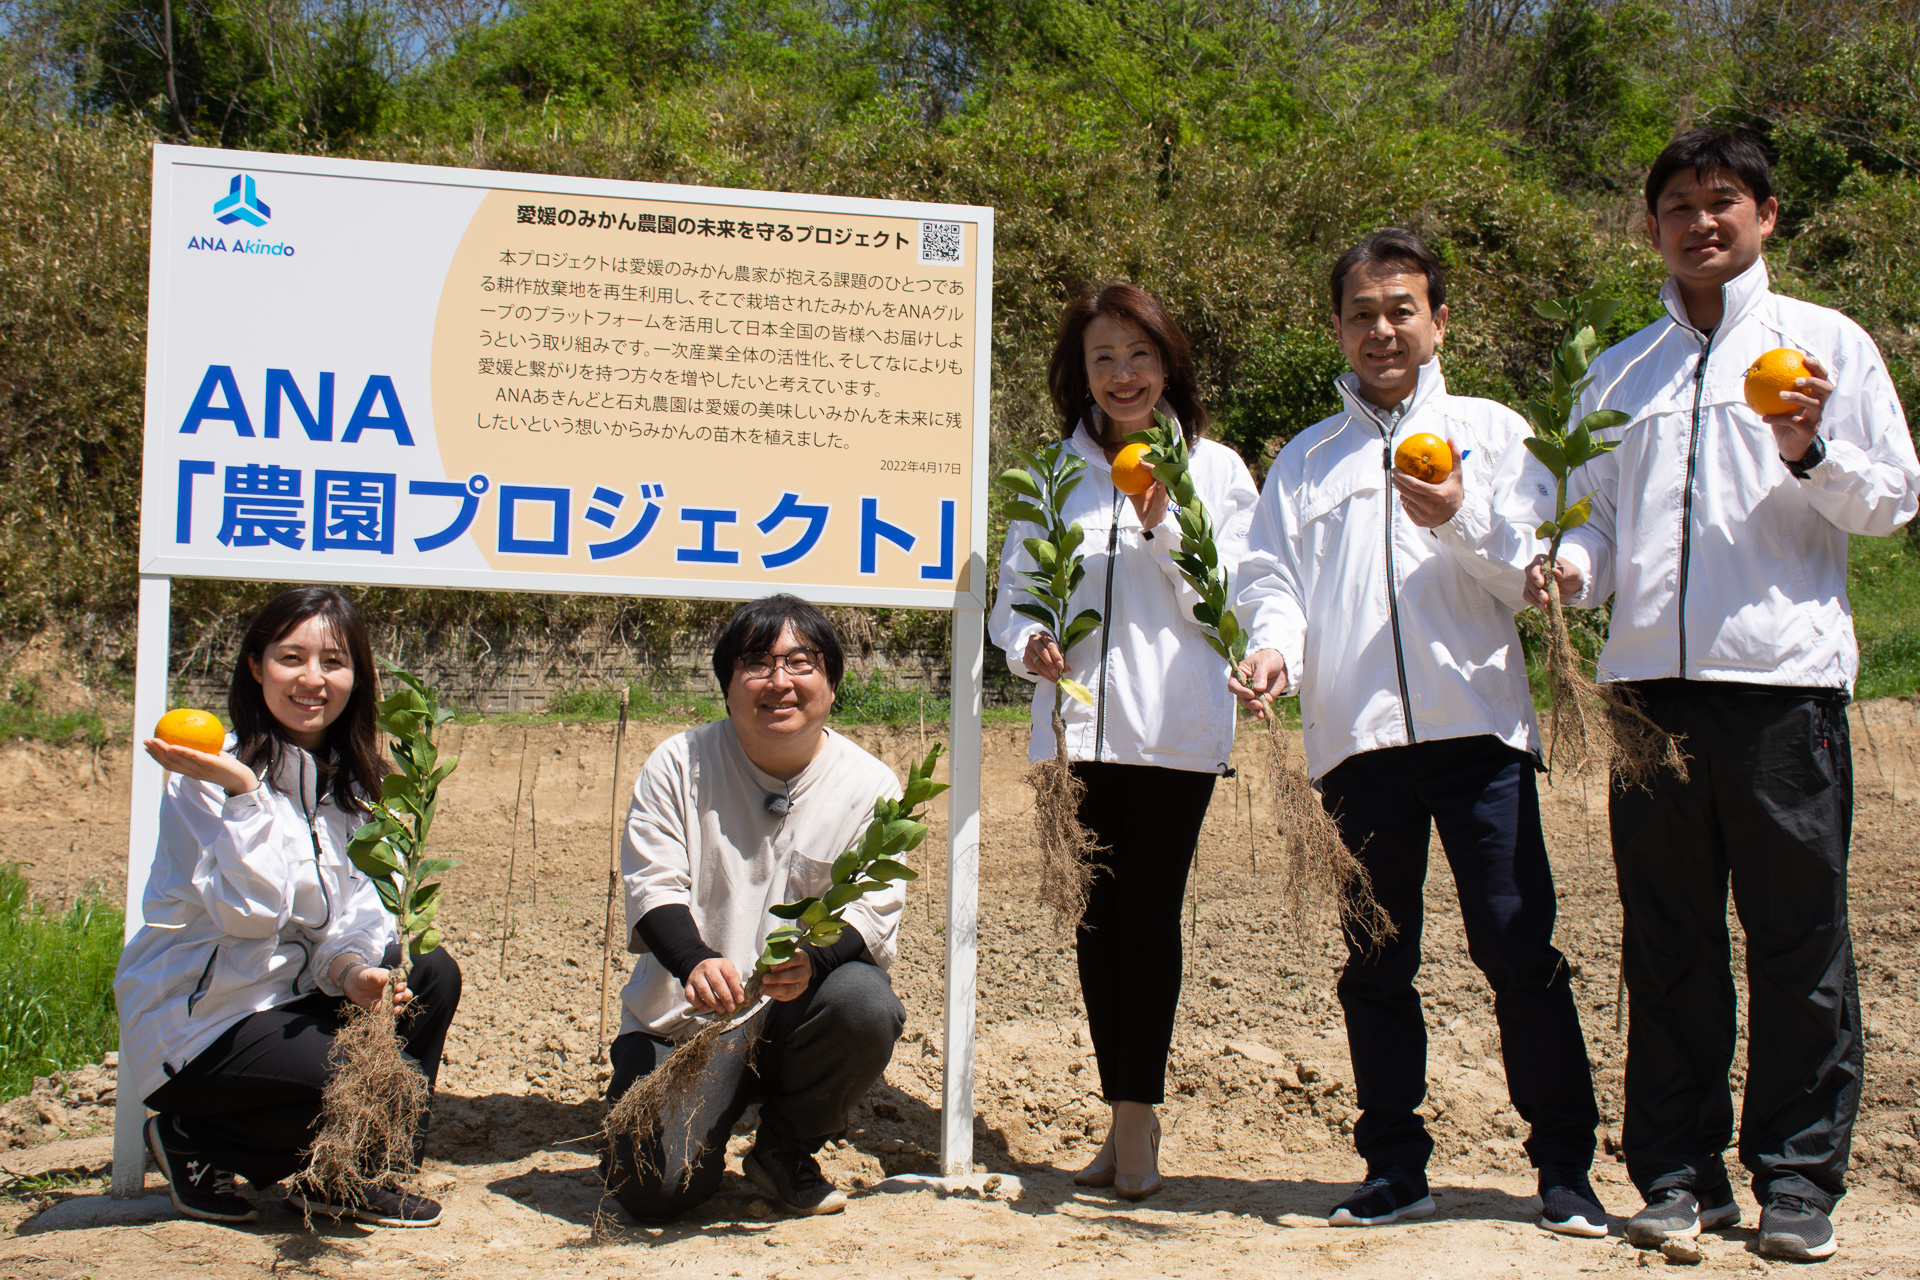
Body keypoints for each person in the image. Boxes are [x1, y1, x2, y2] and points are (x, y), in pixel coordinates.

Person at [1523, 129, 1920, 1262]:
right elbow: (1590, 525)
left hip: (1782, 688)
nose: (1703, 221)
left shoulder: (1826, 346)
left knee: (1799, 934)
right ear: (1651, 227)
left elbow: (1892, 498)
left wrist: (1808, 447)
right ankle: (1679, 1170)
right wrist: (1570, 571)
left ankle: (1797, 1176)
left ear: (1767, 216)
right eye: (1681, 205)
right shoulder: (1620, 374)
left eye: (1725, 200)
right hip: (1647, 692)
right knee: (1668, 935)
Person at [1229, 229, 1605, 1236]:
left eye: (1402, 308)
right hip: (1356, 741)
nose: (1382, 328)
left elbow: (1535, 575)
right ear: (1338, 329)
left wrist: (1458, 515)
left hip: (1479, 731)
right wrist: (1273, 650)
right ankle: (1395, 1163)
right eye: (1362, 312)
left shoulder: (1494, 429)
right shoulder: (1306, 459)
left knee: (1520, 948)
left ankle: (1564, 1166)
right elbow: (1272, 582)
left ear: (1439, 319)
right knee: (1375, 962)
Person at [988, 283, 1259, 1201]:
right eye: (1103, 359)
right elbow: (1013, 597)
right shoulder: (1054, 475)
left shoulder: (1214, 471)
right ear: (1080, 373)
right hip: (1074, 733)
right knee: (1095, 927)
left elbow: (1227, 605)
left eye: (1139, 356)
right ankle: (1121, 1118)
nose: (1122, 375)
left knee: (1147, 917)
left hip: (1172, 732)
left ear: (1169, 363)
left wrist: (1159, 516)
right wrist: (1028, 643)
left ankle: (1137, 1126)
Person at [115, 586, 461, 1228]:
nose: (312, 679)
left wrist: (355, 972)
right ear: (255, 665)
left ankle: (350, 1171)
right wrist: (245, 794)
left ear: (357, 677)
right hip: (202, 1027)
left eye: (333, 661)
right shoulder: (207, 775)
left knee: (429, 968)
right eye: (290, 658)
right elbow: (249, 916)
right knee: (363, 1079)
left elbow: (354, 916)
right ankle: (195, 1138)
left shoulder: (358, 787)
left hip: (289, 1004)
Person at [601, 594, 907, 1220]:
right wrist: (695, 960)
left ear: (831, 680)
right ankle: (700, 1146)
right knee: (651, 1190)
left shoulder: (869, 784)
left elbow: (873, 908)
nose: (780, 682)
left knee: (864, 1003)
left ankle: (784, 1150)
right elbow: (652, 883)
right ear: (728, 682)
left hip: (792, 1023)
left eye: (801, 663)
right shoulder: (678, 764)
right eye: (758, 663)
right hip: (685, 1023)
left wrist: (811, 962)